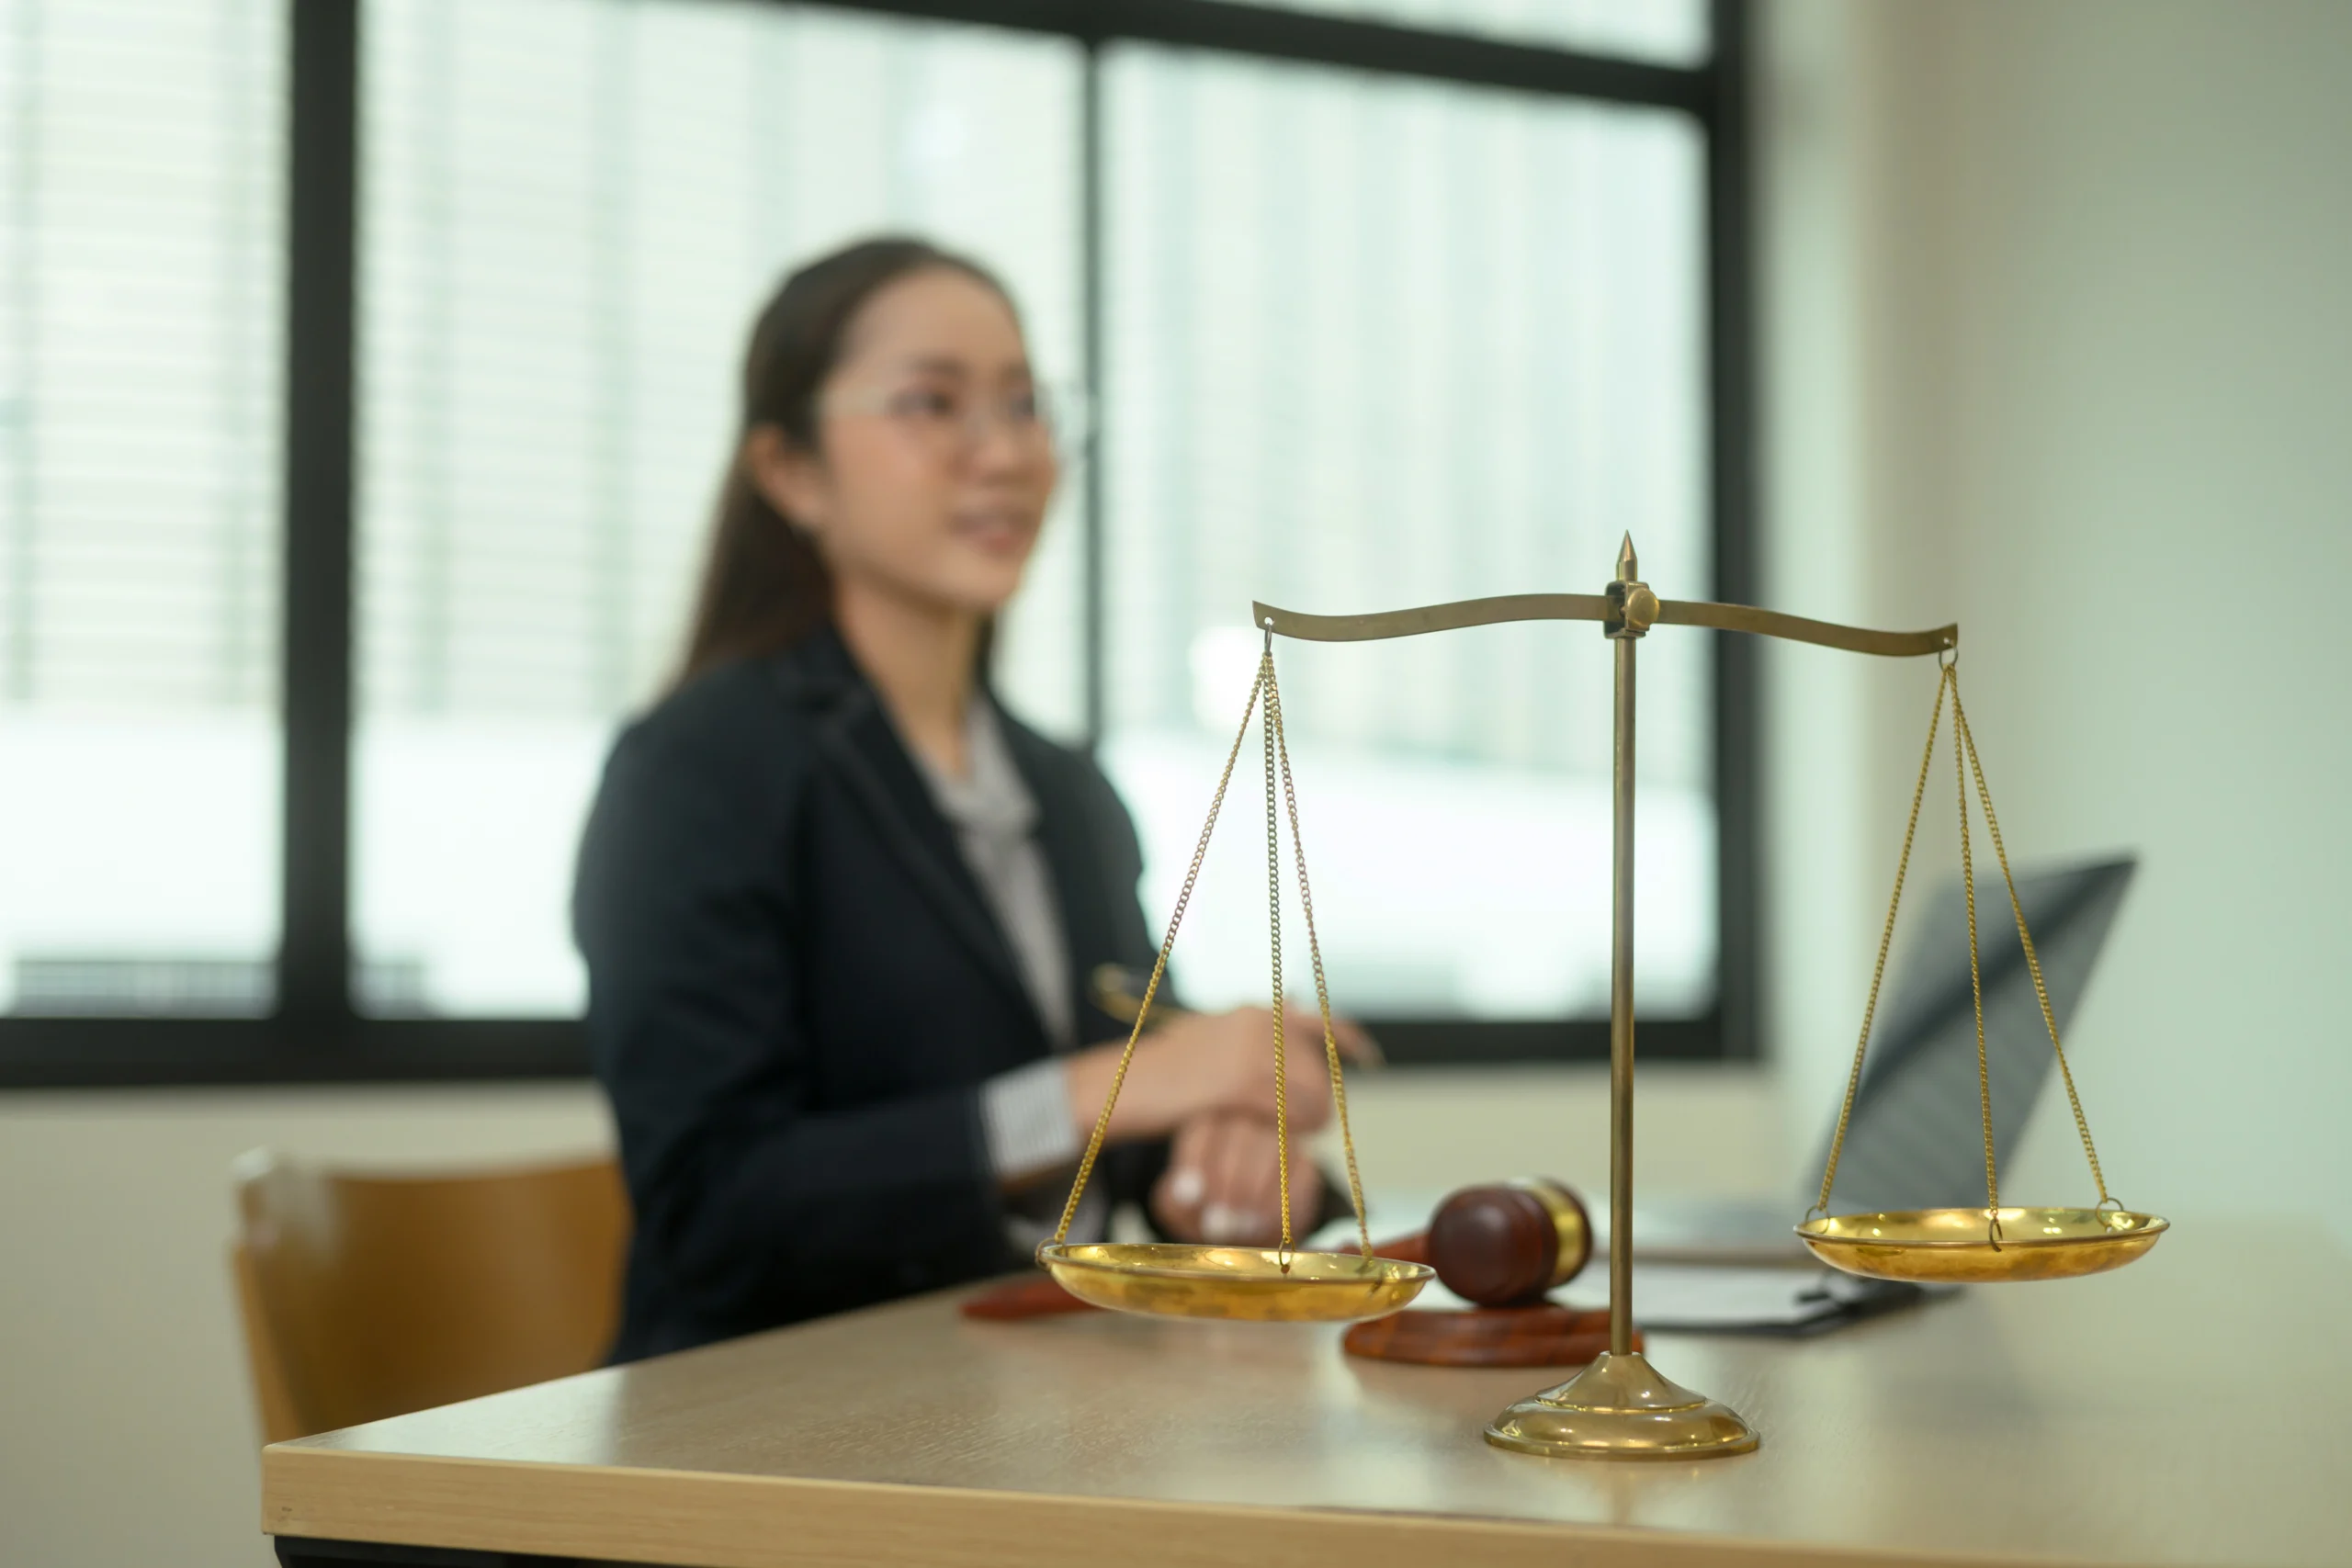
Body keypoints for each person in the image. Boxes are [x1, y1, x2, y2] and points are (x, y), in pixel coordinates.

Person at [573, 236, 1366, 1362]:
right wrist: (1102, 1090)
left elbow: (1125, 1134)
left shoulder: (1062, 790)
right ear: (790, 471)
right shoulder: (697, 767)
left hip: (1028, 1396)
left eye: (1025, 404)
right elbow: (717, 1207)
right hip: (767, 1427)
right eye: (931, 404)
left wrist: (1221, 1144)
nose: (1002, 454)